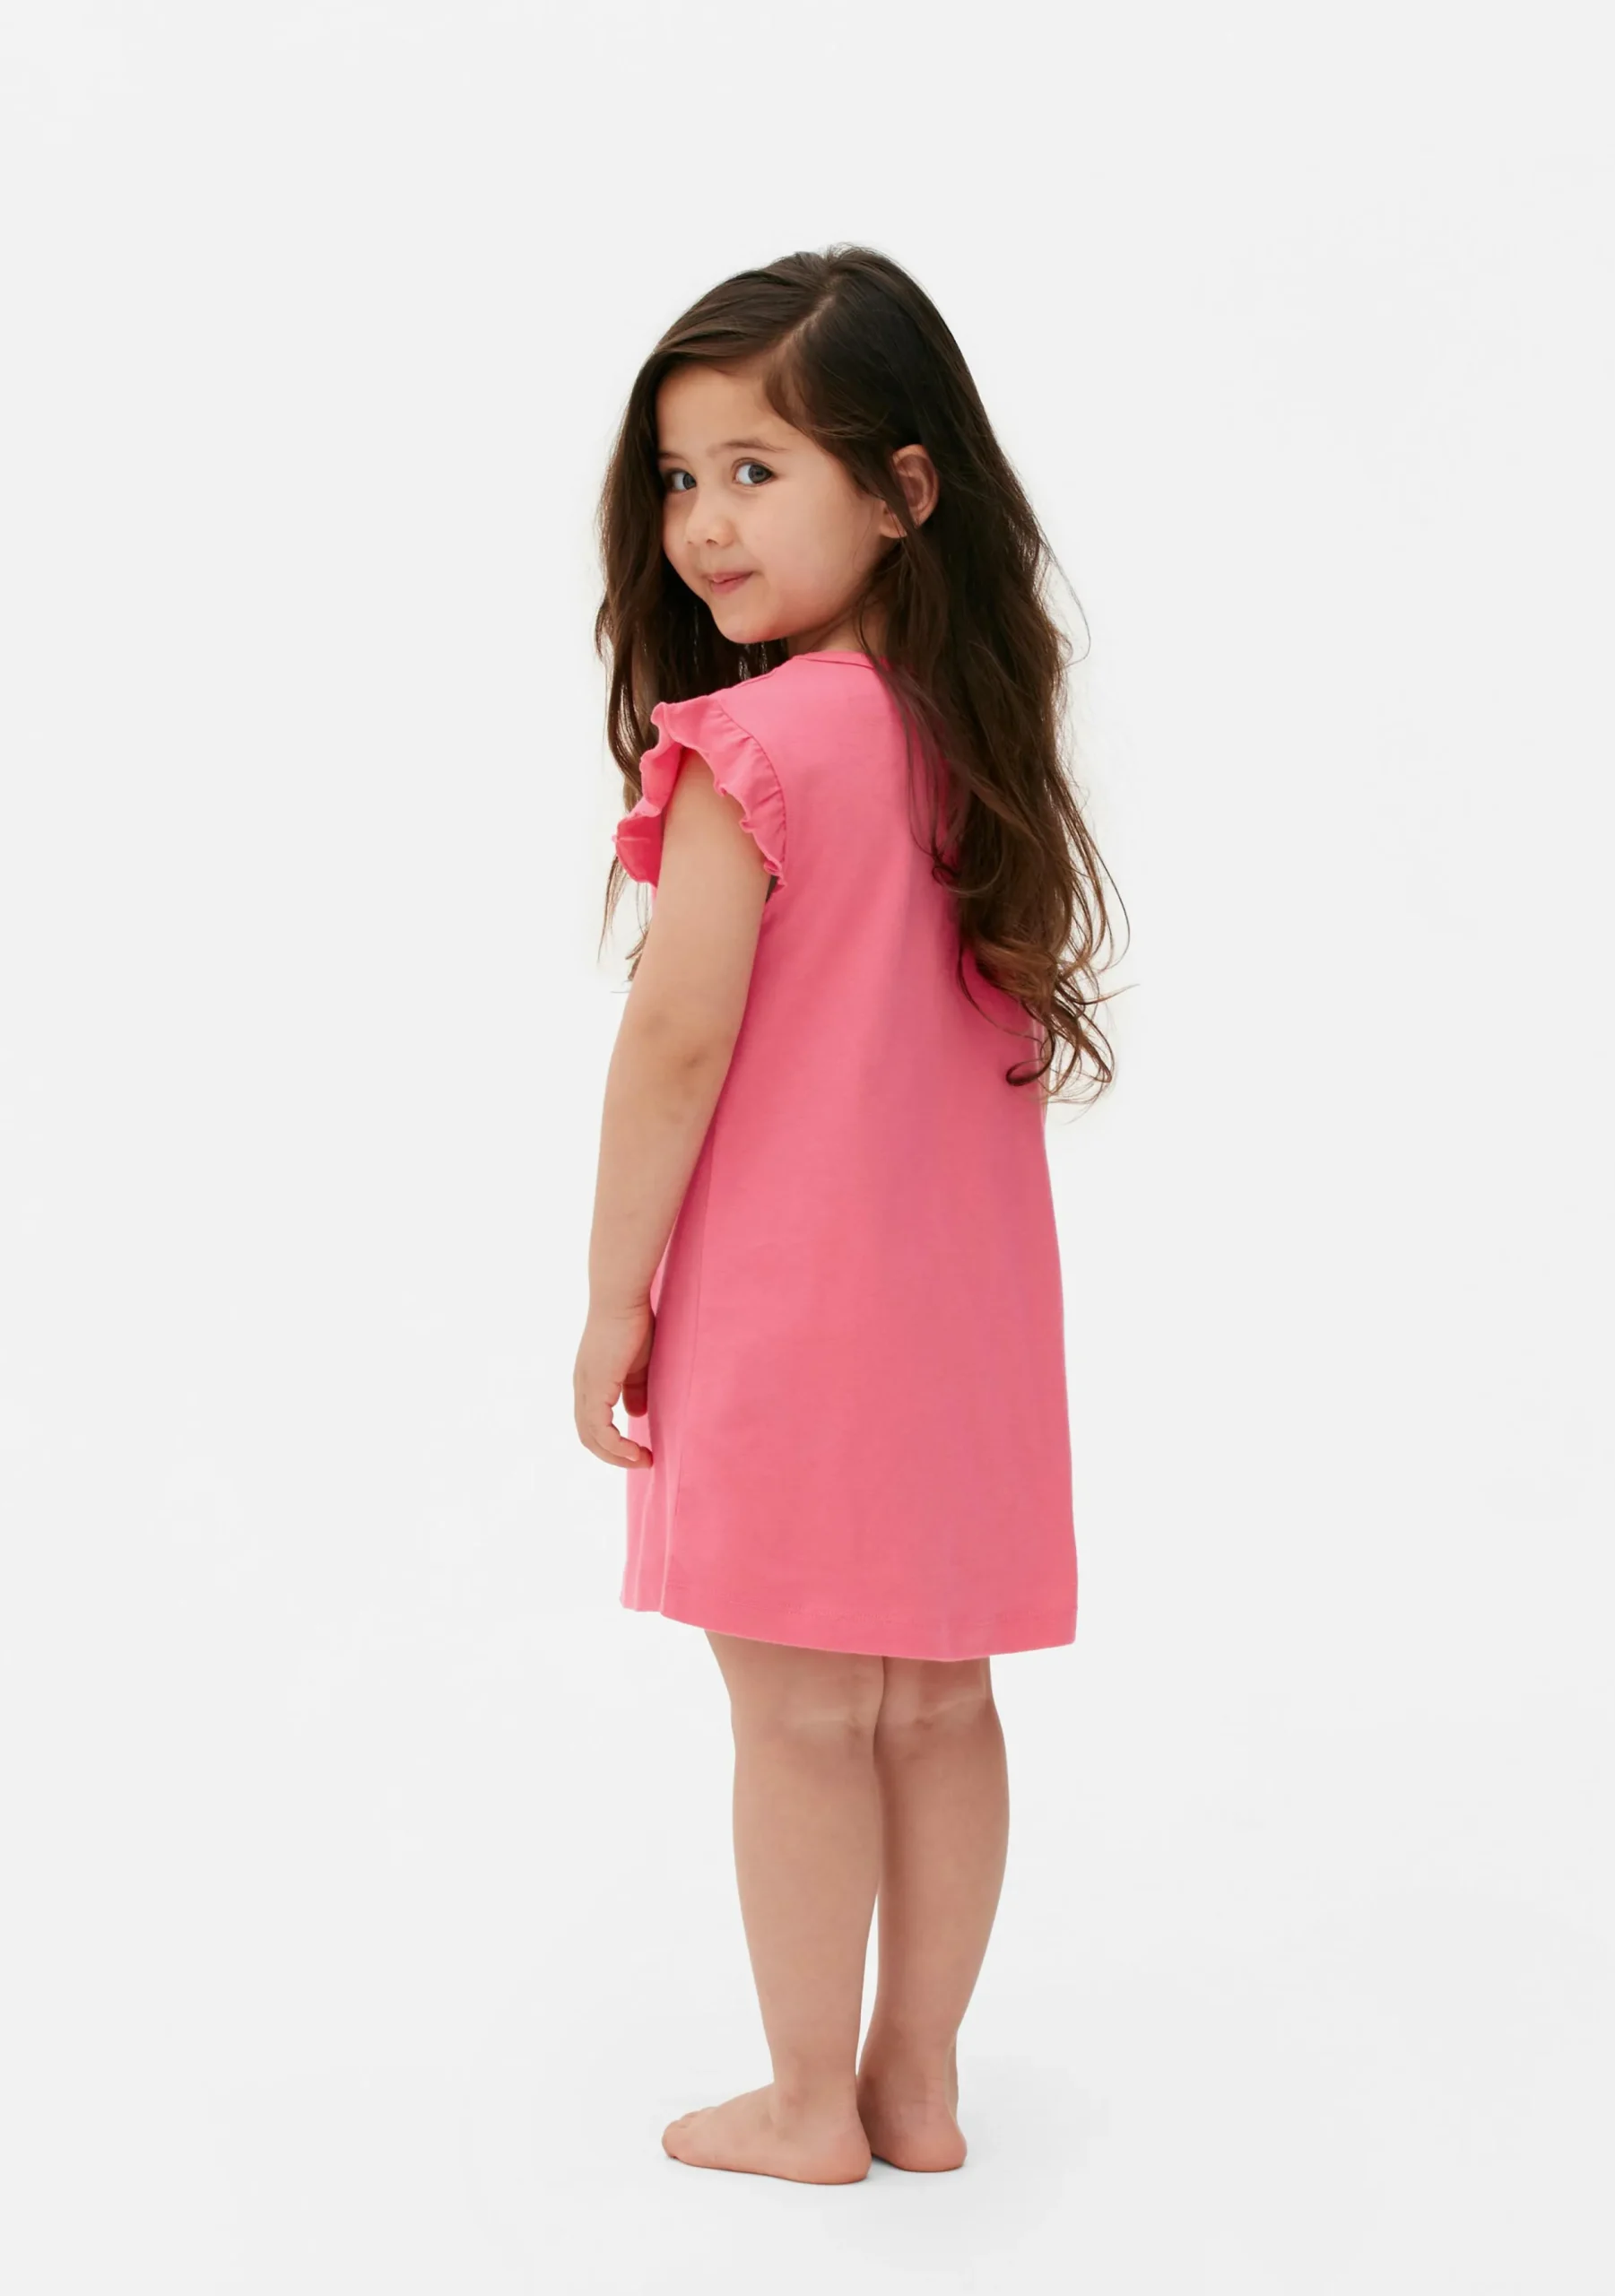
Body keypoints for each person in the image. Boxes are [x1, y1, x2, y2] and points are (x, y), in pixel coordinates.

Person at [572, 244, 1124, 2186]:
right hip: (971, 1323)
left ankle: (807, 2103)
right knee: (940, 1700)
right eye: (679, 477)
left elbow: (675, 1041)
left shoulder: (749, 747)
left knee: (799, 1715)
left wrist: (612, 1297)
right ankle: (917, 2084)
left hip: (792, 1318)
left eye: (755, 470)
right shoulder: (977, 740)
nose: (703, 523)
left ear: (903, 490)